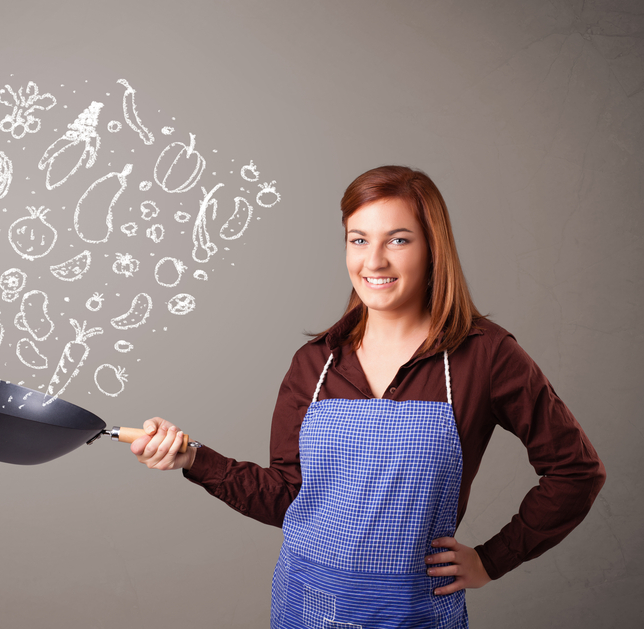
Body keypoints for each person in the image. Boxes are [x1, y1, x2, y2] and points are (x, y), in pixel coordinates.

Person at [130, 166, 605, 628]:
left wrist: (491, 560)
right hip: (304, 610)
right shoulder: (315, 363)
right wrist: (192, 458)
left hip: (414, 616)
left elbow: (575, 471)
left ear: (433, 248)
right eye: (359, 240)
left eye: (397, 240)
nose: (373, 261)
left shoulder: (485, 356)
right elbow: (288, 498)